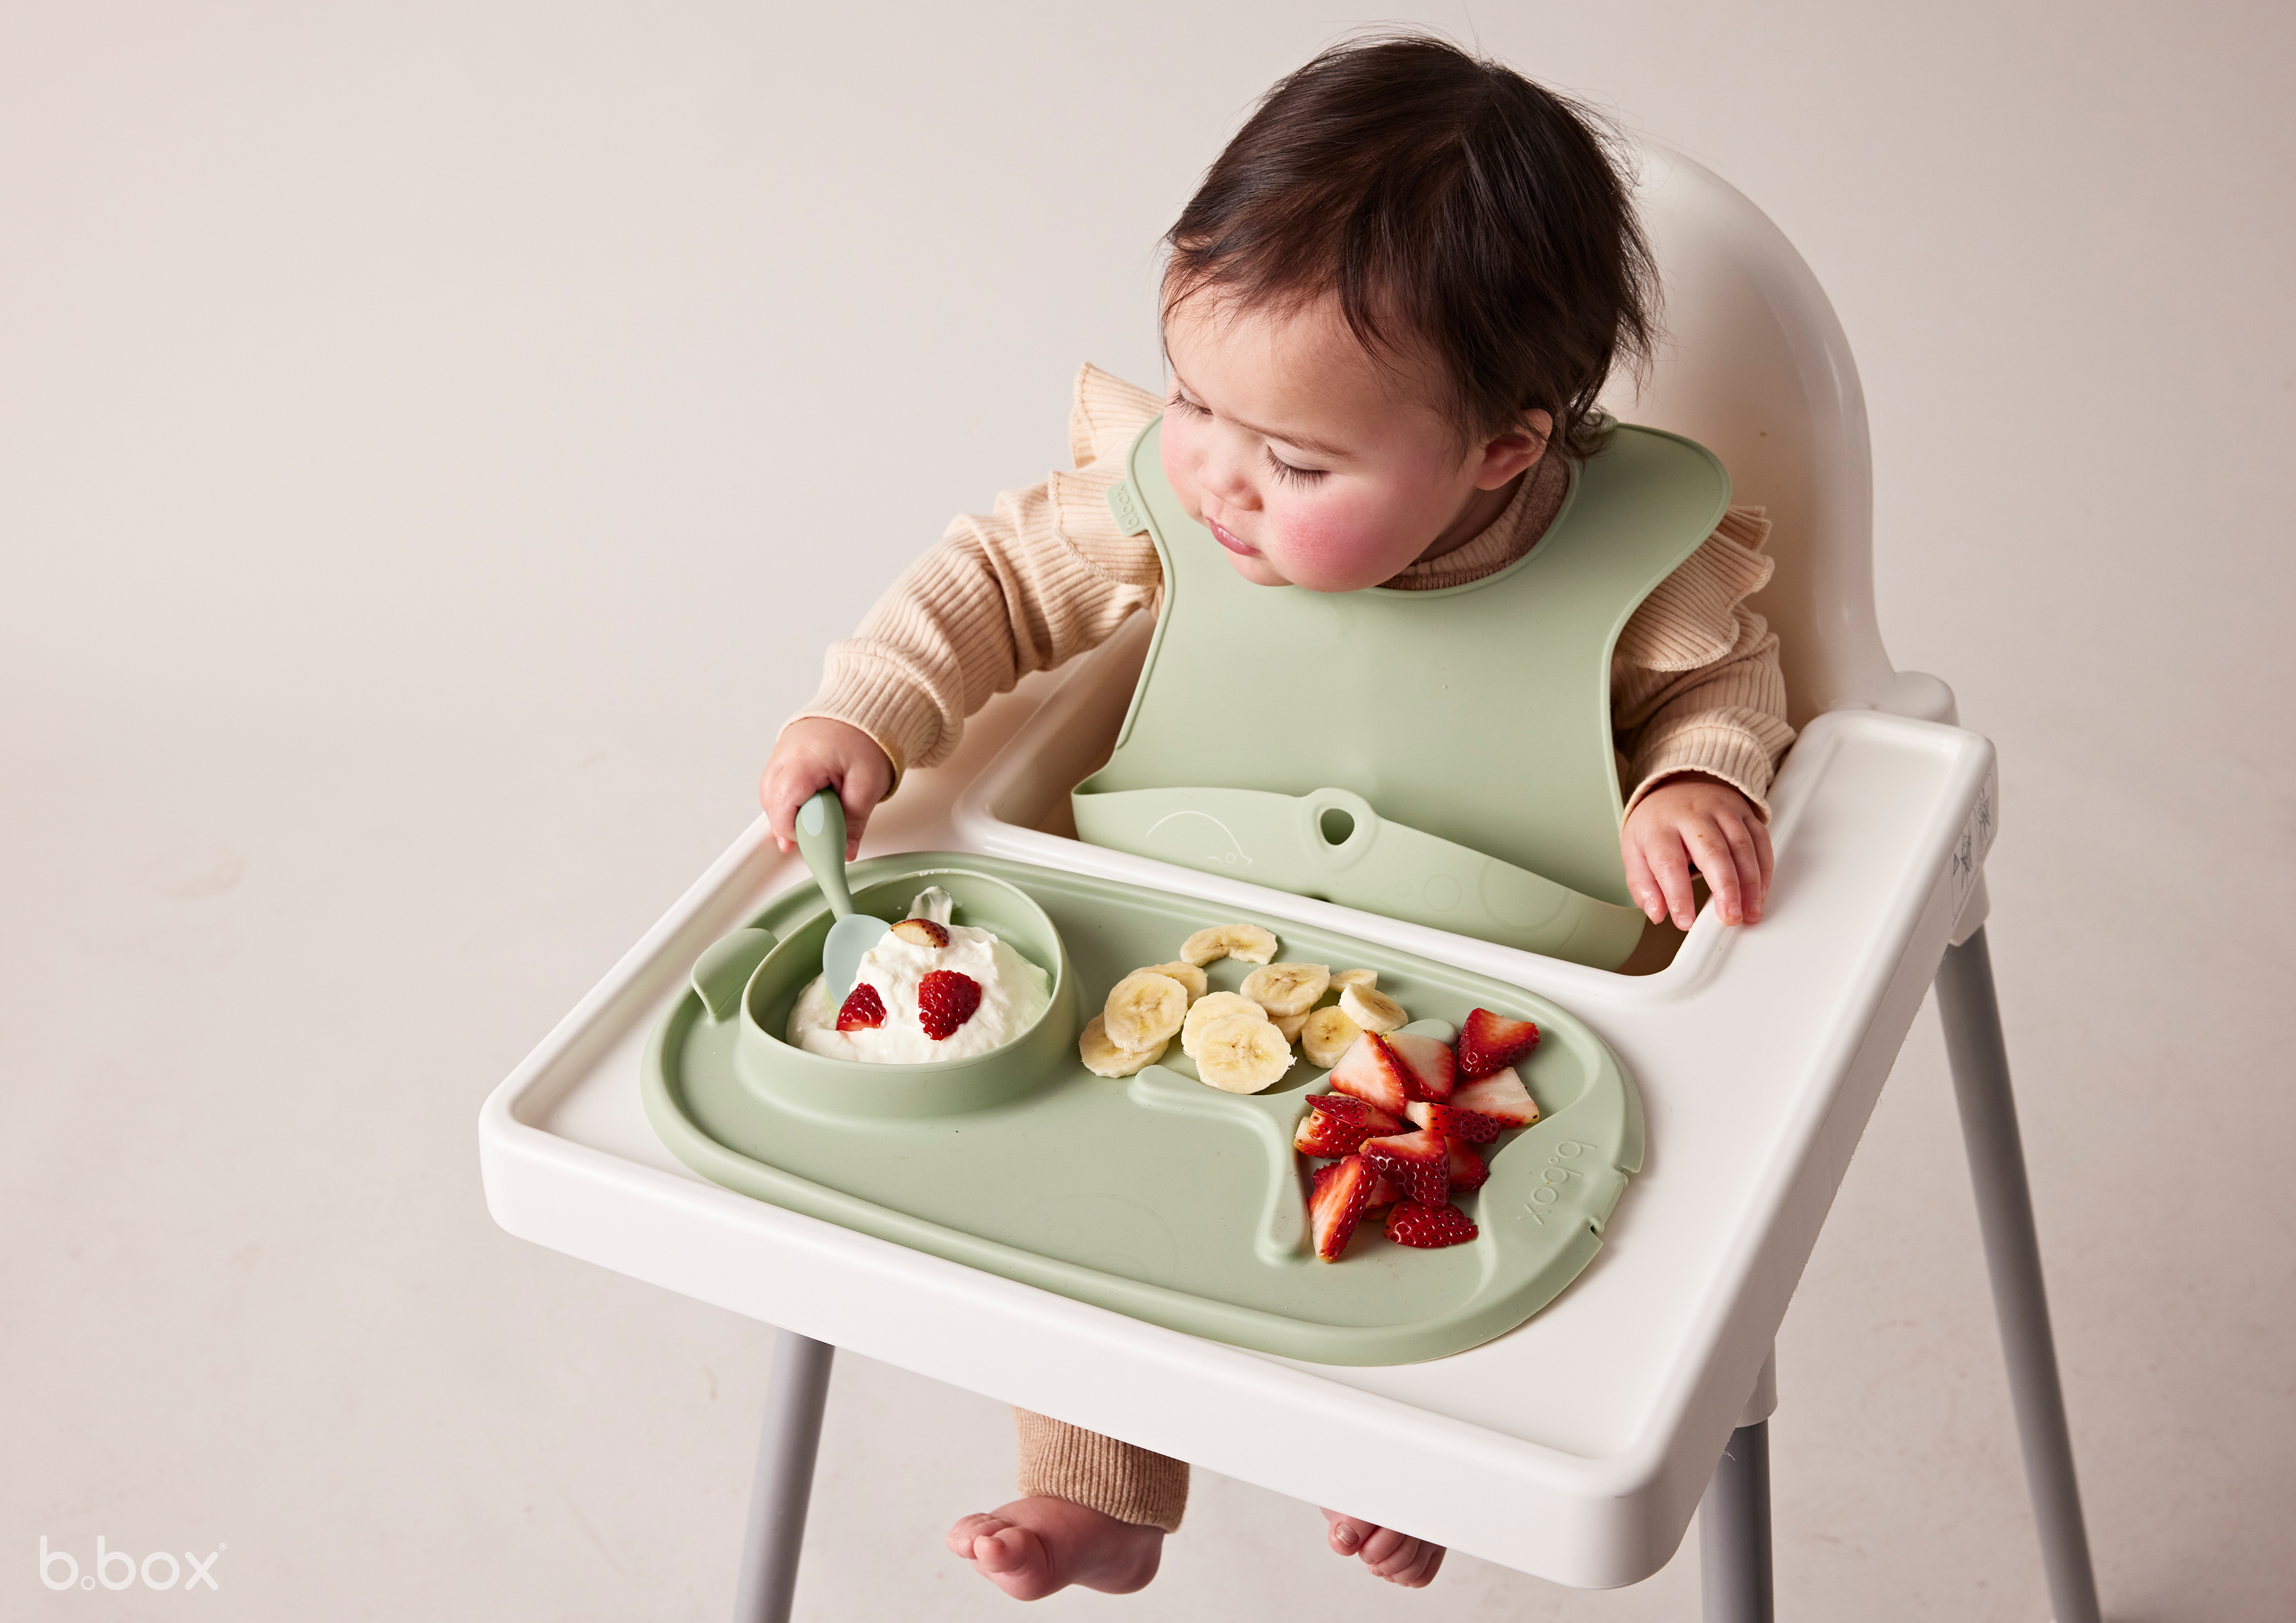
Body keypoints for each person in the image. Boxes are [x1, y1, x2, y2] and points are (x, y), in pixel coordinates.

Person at [757, 33, 1793, 1600]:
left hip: (1473, 996)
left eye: (1295, 460)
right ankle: (1096, 1484)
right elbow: (992, 580)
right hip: (1188, 939)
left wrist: (1697, 777)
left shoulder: (1626, 572)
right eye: (1193, 402)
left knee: (1438, 1212)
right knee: (1082, 1195)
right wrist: (869, 707)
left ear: (1499, 449)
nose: (1218, 480)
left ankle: (1405, 1453)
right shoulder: (1176, 505)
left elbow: (1727, 679)